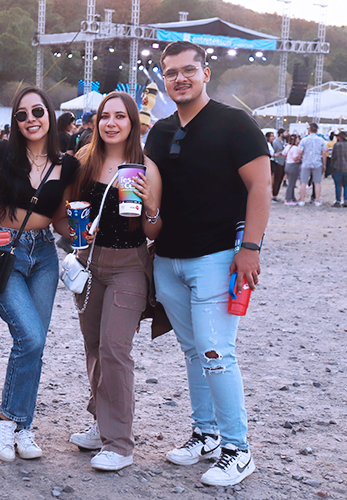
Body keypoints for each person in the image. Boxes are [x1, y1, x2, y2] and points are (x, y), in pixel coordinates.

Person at [144, 41, 270, 487]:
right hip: (168, 259)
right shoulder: (159, 132)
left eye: (188, 70)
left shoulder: (235, 123)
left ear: (205, 73)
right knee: (194, 351)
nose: (179, 78)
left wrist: (250, 247)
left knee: (216, 352)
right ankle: (206, 434)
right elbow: (151, 198)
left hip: (218, 258)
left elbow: (260, 187)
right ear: (164, 78)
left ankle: (238, 449)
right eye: (170, 72)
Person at [0, 86, 79, 462]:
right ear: (15, 122)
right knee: (30, 337)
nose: (30, 119)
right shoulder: (2, 154)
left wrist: (83, 233)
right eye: (22, 114)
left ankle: (22, 426)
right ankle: (6, 420)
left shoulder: (67, 165)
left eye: (37, 112)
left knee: (35, 343)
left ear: (49, 114)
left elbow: (61, 219)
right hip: (4, 252)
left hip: (44, 254)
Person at [68, 91, 162, 471]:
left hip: (129, 266)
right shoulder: (84, 160)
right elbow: (69, 211)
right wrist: (75, 231)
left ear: (133, 123)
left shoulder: (146, 167)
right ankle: (101, 423)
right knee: (93, 346)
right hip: (89, 264)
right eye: (105, 116)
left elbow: (154, 230)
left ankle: (120, 444)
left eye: (120, 116)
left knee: (114, 349)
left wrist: (151, 206)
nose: (111, 123)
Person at [297, 123, 327, 206]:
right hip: (317, 163)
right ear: (317, 130)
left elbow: (299, 151)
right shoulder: (321, 140)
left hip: (306, 162)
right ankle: (317, 200)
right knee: (317, 182)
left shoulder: (304, 139)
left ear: (309, 129)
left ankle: (302, 200)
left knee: (303, 182)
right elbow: (324, 153)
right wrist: (324, 164)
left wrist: (301, 156)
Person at [283, 134, 302, 206]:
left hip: (288, 165)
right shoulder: (295, 148)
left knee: (291, 182)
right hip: (293, 166)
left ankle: (292, 197)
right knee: (291, 183)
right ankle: (288, 199)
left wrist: (287, 159)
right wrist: (300, 157)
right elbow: (295, 158)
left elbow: (283, 154)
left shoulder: (288, 147)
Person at [331, 131, 347, 206]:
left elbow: (333, 157)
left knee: (337, 185)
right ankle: (346, 200)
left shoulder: (336, 145)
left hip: (337, 167)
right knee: (346, 185)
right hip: (346, 168)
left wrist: (331, 167)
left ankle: (338, 201)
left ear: (340, 137)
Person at [270, 129, 287, 202]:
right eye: (285, 133)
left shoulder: (285, 141)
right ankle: (273, 195)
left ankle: (275, 195)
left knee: (280, 179)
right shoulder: (275, 142)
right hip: (277, 162)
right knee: (276, 179)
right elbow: (273, 152)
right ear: (281, 134)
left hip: (284, 162)